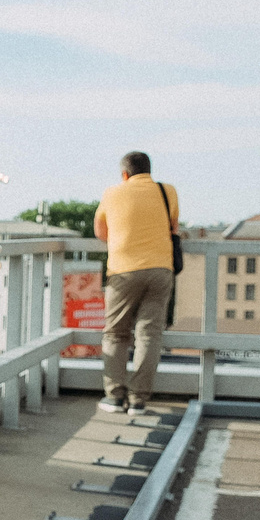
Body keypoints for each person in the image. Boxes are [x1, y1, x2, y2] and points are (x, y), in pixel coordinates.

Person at [91, 151, 181, 414]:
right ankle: (139, 400)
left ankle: (115, 396)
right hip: (161, 269)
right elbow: (173, 227)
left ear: (124, 174)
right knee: (149, 334)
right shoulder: (168, 191)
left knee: (117, 333)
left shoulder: (112, 193)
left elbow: (100, 232)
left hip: (123, 270)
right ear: (149, 171)